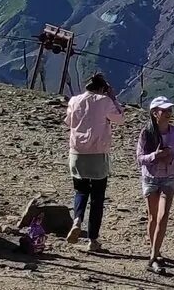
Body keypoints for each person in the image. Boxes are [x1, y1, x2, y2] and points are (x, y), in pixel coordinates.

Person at [64, 72, 121, 251]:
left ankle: (77, 219)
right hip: (97, 153)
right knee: (97, 198)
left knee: (80, 190)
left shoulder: (74, 100)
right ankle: (92, 240)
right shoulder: (105, 101)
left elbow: (69, 122)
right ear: (102, 88)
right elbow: (120, 118)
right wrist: (113, 98)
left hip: (77, 153)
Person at [137, 96, 174, 274]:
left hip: (168, 177)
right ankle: (155, 252)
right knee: (153, 217)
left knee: (163, 216)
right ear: (154, 113)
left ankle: (153, 256)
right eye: (164, 110)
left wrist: (172, 159)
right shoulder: (146, 133)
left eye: (169, 110)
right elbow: (140, 158)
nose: (168, 113)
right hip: (150, 178)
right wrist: (156, 156)